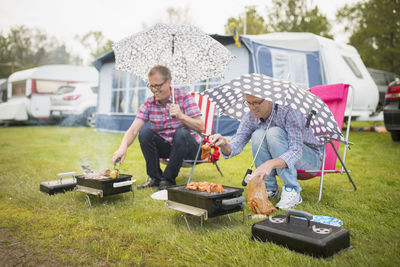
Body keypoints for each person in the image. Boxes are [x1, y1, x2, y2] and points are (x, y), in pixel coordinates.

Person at [209, 94, 323, 209]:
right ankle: (270, 189)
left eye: (257, 102)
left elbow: (296, 151)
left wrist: (270, 164)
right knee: (258, 134)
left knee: (274, 132)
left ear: (270, 99)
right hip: (287, 158)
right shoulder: (250, 117)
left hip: (311, 160)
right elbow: (235, 146)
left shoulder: (289, 111)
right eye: (249, 103)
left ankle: (292, 189)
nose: (252, 107)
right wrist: (224, 144)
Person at [112, 65, 204, 191]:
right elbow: (133, 130)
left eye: (158, 85)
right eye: (151, 86)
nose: (154, 90)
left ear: (169, 81)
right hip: (170, 149)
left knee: (181, 132)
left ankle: (168, 180)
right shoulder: (149, 103)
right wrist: (122, 148)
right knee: (145, 133)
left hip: (191, 149)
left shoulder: (184, 97)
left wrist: (181, 116)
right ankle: (156, 178)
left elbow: (201, 127)